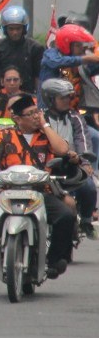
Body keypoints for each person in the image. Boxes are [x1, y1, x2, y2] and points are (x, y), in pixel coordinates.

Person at [0, 94, 75, 278]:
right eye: (30, 114)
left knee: (66, 215)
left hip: (41, 191)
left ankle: (56, 260)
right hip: (7, 190)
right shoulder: (4, 135)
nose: (36, 116)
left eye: (37, 112)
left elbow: (62, 150)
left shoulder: (46, 135)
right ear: (17, 119)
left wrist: (45, 124)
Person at [40, 79, 98, 239]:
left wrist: (85, 162)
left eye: (69, 97)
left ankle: (86, 221)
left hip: (72, 164)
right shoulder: (41, 118)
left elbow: (82, 140)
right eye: (62, 97)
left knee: (89, 188)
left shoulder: (75, 117)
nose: (68, 101)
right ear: (50, 99)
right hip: (46, 166)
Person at [0, 6, 45, 92]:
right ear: (5, 29)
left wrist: (39, 100)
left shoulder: (35, 48)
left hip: (26, 96)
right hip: (0, 97)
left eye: (18, 28)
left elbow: (38, 77)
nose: (15, 32)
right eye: (11, 29)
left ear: (24, 28)